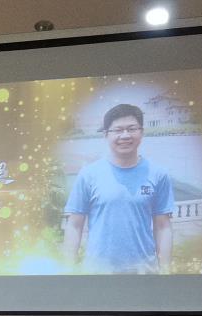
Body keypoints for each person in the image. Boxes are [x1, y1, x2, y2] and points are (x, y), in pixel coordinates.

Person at [62, 103, 174, 274]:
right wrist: (68, 270)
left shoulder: (158, 174)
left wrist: (165, 271)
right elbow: (74, 225)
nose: (125, 135)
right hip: (97, 273)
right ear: (105, 135)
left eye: (132, 129)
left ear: (141, 132)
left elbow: (163, 226)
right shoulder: (89, 174)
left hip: (144, 271)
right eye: (118, 130)